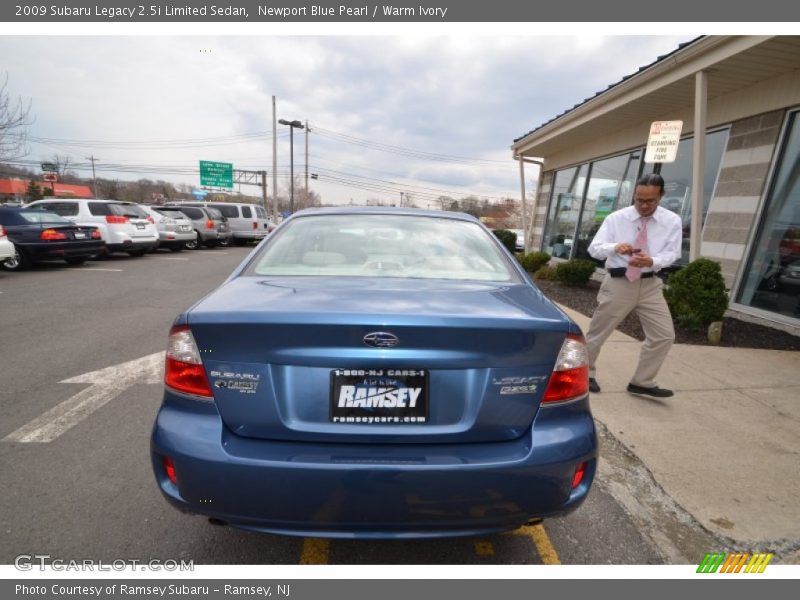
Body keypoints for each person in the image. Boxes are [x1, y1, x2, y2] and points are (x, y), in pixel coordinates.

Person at [585, 173, 683, 398]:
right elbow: (594, 248)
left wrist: (652, 261)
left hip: (650, 284)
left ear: (662, 197)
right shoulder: (616, 219)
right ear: (634, 195)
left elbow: (672, 253)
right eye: (639, 199)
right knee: (598, 333)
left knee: (664, 335)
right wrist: (614, 247)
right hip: (619, 282)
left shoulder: (672, 221)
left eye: (650, 201)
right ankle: (585, 374)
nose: (643, 205)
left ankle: (642, 381)